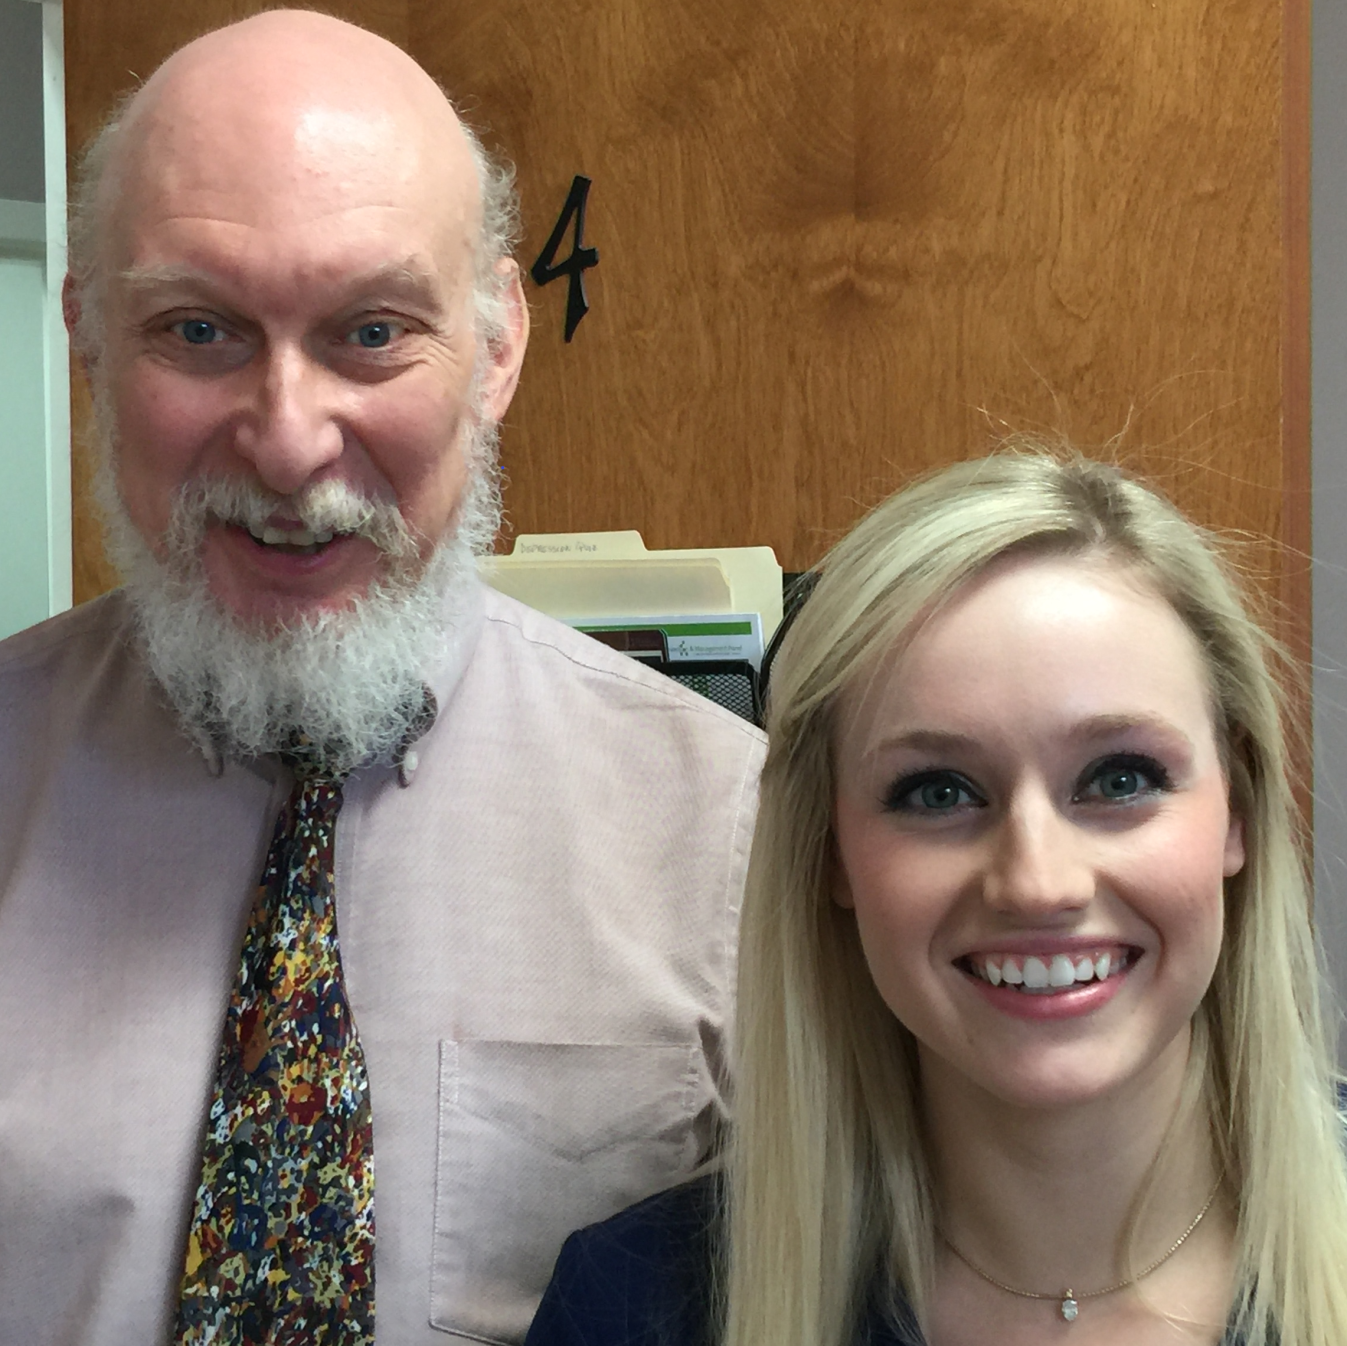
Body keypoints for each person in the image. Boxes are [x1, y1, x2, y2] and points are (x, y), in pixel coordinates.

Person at [0, 11, 764, 1345]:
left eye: (369, 332)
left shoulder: (732, 840)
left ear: (498, 348)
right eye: (197, 330)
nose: (289, 445)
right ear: (87, 338)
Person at [525, 450, 1347, 1346]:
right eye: (938, 792)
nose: (1038, 882)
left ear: (1238, 809)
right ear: (829, 852)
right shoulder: (634, 1309)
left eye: (1118, 778)